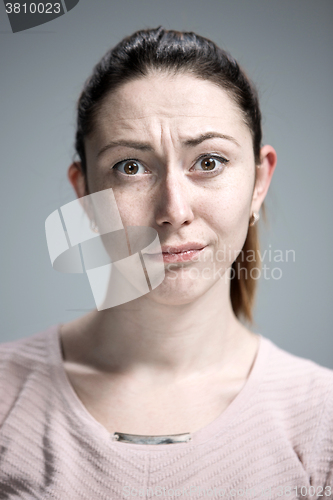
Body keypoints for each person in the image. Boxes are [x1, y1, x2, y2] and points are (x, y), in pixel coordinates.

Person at [0, 26, 332, 499]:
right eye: (130, 167)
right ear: (83, 194)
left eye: (209, 161)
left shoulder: (322, 423)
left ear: (259, 182)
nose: (174, 210)